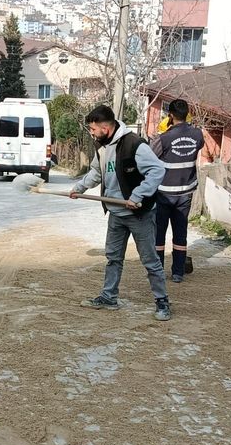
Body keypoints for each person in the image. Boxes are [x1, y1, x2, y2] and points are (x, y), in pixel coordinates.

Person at [70, 105, 172, 321]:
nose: (92, 133)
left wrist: (138, 195)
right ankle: (109, 297)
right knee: (113, 258)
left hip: (139, 214)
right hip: (116, 213)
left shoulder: (135, 144)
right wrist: (79, 188)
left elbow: (158, 170)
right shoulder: (102, 148)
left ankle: (162, 301)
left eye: (93, 129)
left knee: (150, 260)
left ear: (105, 127)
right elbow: (97, 172)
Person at [150, 99, 205, 284]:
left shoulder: (165, 138)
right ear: (187, 114)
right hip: (185, 193)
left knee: (159, 234)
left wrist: (161, 134)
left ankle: (157, 271)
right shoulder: (197, 134)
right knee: (180, 233)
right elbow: (198, 146)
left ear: (170, 115)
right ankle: (178, 273)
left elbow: (152, 155)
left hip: (164, 193)